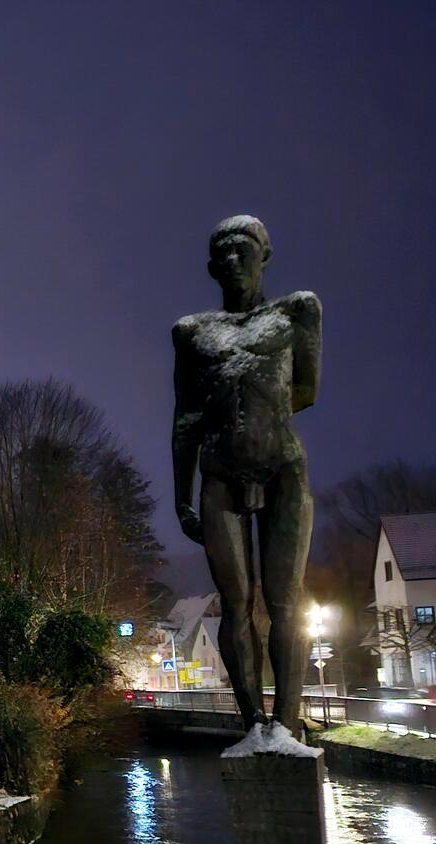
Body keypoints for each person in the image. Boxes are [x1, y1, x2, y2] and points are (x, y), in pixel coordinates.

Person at [172, 216, 321, 743]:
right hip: (219, 473)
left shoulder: (296, 313)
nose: (235, 261)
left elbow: (305, 389)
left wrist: (260, 419)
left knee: (285, 598)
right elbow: (186, 417)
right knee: (233, 600)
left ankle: (285, 721)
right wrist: (180, 497)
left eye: (244, 250)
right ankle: (253, 722)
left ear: (265, 256)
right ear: (213, 268)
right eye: (225, 254)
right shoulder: (192, 334)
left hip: (282, 467)